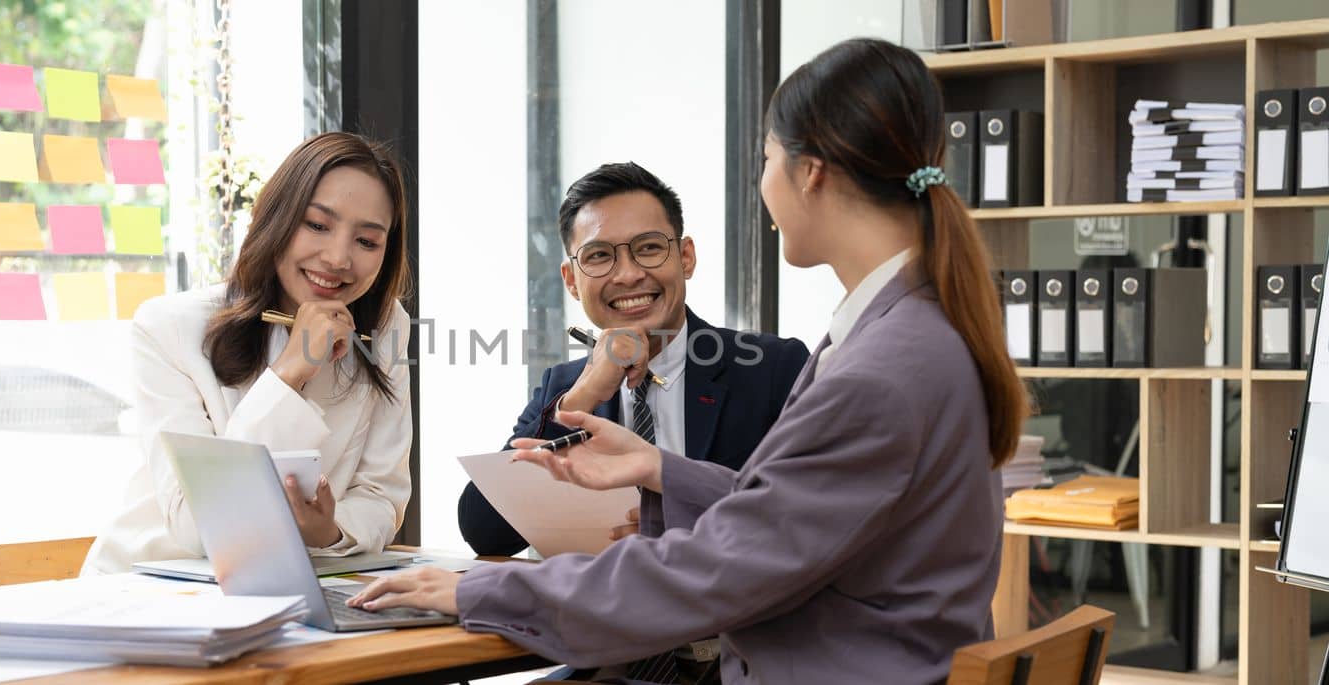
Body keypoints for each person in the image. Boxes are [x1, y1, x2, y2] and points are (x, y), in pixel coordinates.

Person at [348, 37, 1029, 684]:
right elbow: (792, 522)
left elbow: (722, 563)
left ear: (811, 172)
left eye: (765, 158)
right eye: (600, 257)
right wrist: (658, 468)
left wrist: (484, 586)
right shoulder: (912, 331)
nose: (763, 184)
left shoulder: (879, 368)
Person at [84, 132, 413, 574]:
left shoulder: (386, 326)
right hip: (157, 587)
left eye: (367, 242)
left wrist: (329, 532)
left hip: (290, 583)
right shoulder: (168, 327)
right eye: (317, 225)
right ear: (277, 217)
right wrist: (289, 373)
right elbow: (198, 524)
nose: (337, 258)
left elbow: (382, 496)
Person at [457, 162, 810, 557]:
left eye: (649, 248)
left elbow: (809, 514)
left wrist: (677, 521)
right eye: (599, 255)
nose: (627, 275)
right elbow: (485, 531)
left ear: (686, 257)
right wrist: (584, 395)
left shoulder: (772, 368)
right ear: (572, 281)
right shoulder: (565, 387)